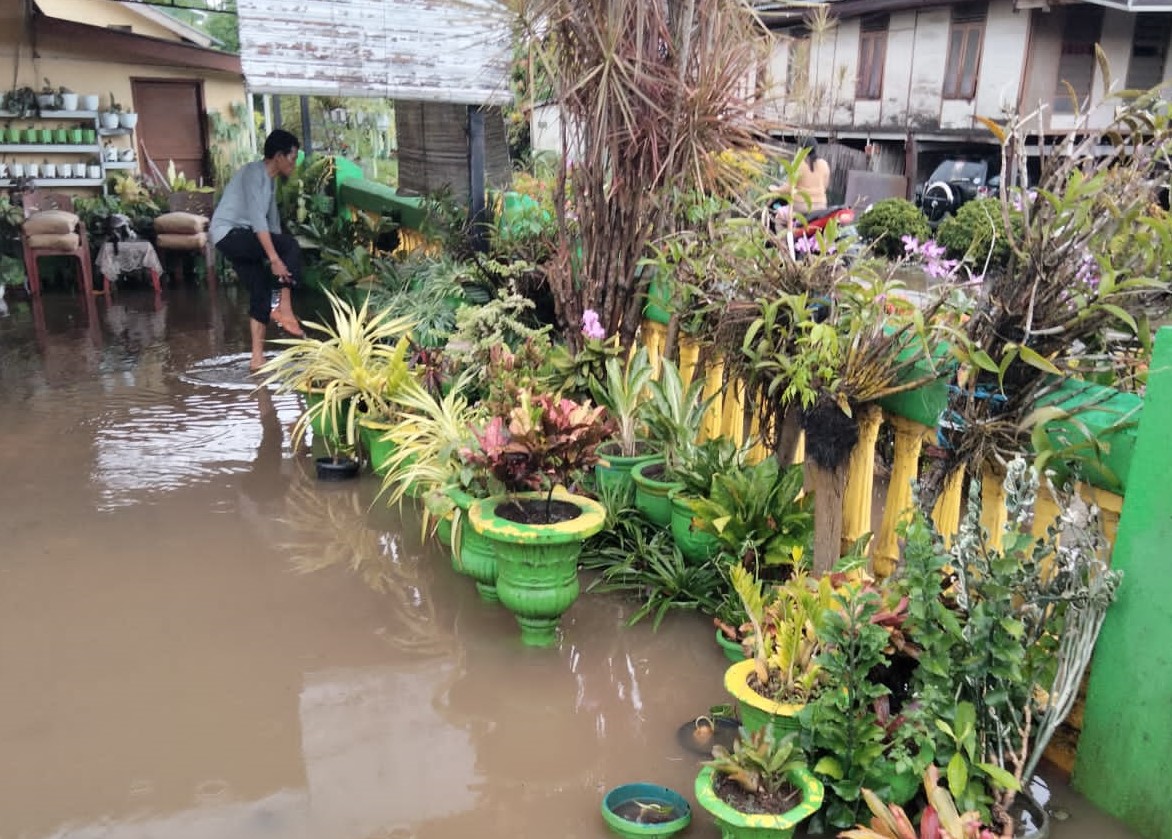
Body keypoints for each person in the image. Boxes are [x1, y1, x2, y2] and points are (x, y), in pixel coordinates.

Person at [211, 129, 305, 371]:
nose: (294, 164)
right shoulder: (253, 173)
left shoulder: (271, 184)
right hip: (229, 234)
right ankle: (284, 309)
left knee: (260, 288)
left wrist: (278, 258)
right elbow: (257, 220)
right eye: (292, 158)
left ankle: (256, 359)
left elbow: (272, 225)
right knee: (291, 246)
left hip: (243, 237)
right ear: (278, 156)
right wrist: (275, 258)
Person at [769, 137, 832, 223]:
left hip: (801, 207)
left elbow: (788, 188)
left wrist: (775, 189)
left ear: (801, 149)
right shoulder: (824, 164)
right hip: (821, 206)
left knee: (778, 218)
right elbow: (825, 186)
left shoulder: (798, 164)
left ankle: (782, 236)